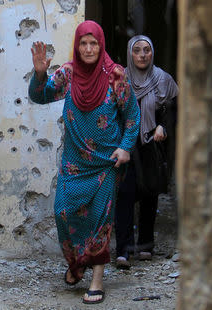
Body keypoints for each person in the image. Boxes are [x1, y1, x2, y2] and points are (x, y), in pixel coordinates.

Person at [28, 21, 140, 304]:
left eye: (93, 43)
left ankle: (97, 279)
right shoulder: (67, 73)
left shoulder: (116, 76)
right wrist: (40, 74)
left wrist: (125, 148)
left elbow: (132, 116)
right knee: (62, 212)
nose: (88, 48)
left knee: (100, 221)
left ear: (101, 45)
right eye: (83, 43)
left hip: (106, 164)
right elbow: (40, 96)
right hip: (74, 164)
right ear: (77, 46)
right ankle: (77, 262)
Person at [114, 35, 178, 269]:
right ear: (130, 53)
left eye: (147, 50)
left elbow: (174, 109)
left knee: (150, 195)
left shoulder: (163, 79)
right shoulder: (120, 78)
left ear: (153, 53)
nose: (142, 55)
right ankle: (123, 249)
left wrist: (163, 125)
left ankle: (145, 245)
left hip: (151, 143)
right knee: (124, 196)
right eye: (137, 50)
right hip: (125, 145)